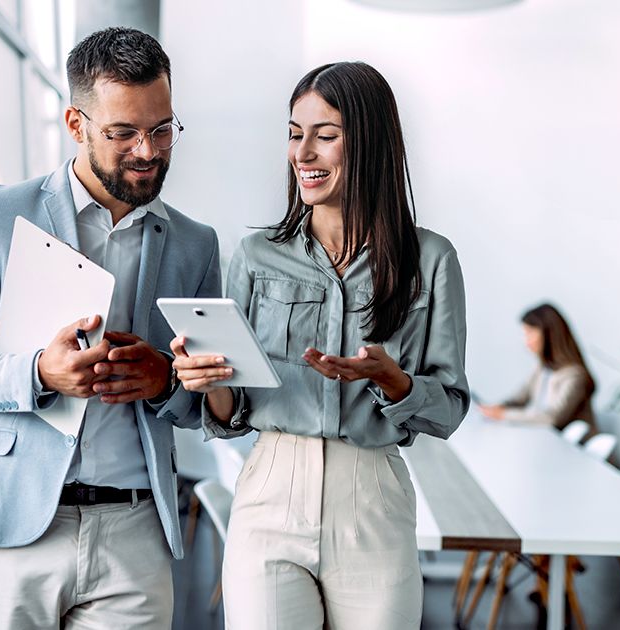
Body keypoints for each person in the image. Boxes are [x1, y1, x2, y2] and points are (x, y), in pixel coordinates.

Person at [0, 27, 220, 630]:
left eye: (161, 129)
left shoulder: (194, 244)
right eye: (122, 132)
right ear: (76, 125)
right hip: (12, 523)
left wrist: (165, 381)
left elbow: (204, 403)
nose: (148, 151)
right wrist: (37, 372)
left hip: (136, 533)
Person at [171, 61, 470, 629]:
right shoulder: (257, 255)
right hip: (270, 491)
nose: (302, 153)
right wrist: (207, 382)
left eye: (325, 136)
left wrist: (392, 381)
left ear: (372, 145)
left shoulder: (431, 260)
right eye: (294, 133)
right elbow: (231, 412)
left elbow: (449, 407)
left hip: (372, 499)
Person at [478, 303, 597, 432]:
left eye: (529, 333)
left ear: (548, 334)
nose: (525, 341)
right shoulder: (543, 369)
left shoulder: (575, 375)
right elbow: (519, 399)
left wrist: (503, 415)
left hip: (572, 448)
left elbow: (553, 418)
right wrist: (498, 407)